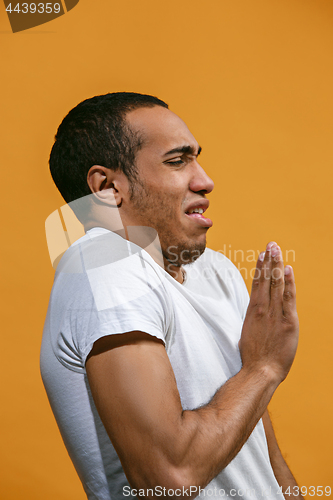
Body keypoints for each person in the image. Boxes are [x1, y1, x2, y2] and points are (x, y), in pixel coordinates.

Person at [41, 92, 301, 500]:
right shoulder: (102, 265)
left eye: (196, 157)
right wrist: (263, 368)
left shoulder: (217, 271)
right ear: (107, 188)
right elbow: (167, 479)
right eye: (177, 161)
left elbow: (262, 455)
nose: (204, 180)